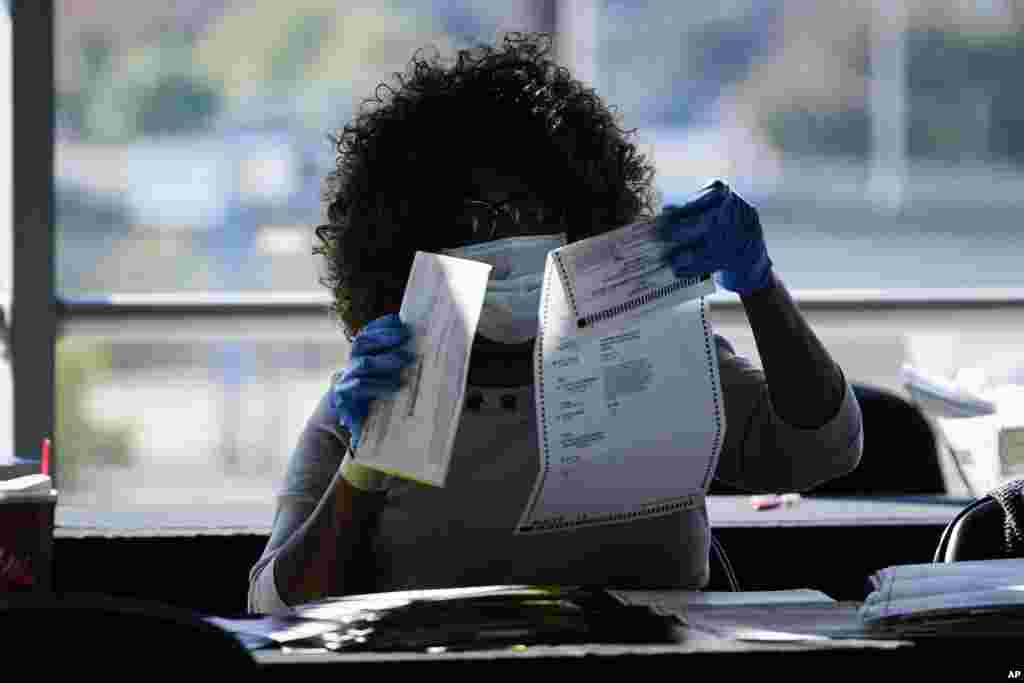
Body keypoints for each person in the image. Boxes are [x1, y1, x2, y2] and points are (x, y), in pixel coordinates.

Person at [248, 32, 863, 615]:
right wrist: (364, 463)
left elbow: (821, 449)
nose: (506, 236)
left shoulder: (657, 354)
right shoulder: (373, 396)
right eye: (470, 222)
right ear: (405, 244)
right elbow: (276, 605)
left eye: (530, 211)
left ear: (582, 216)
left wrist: (758, 284)